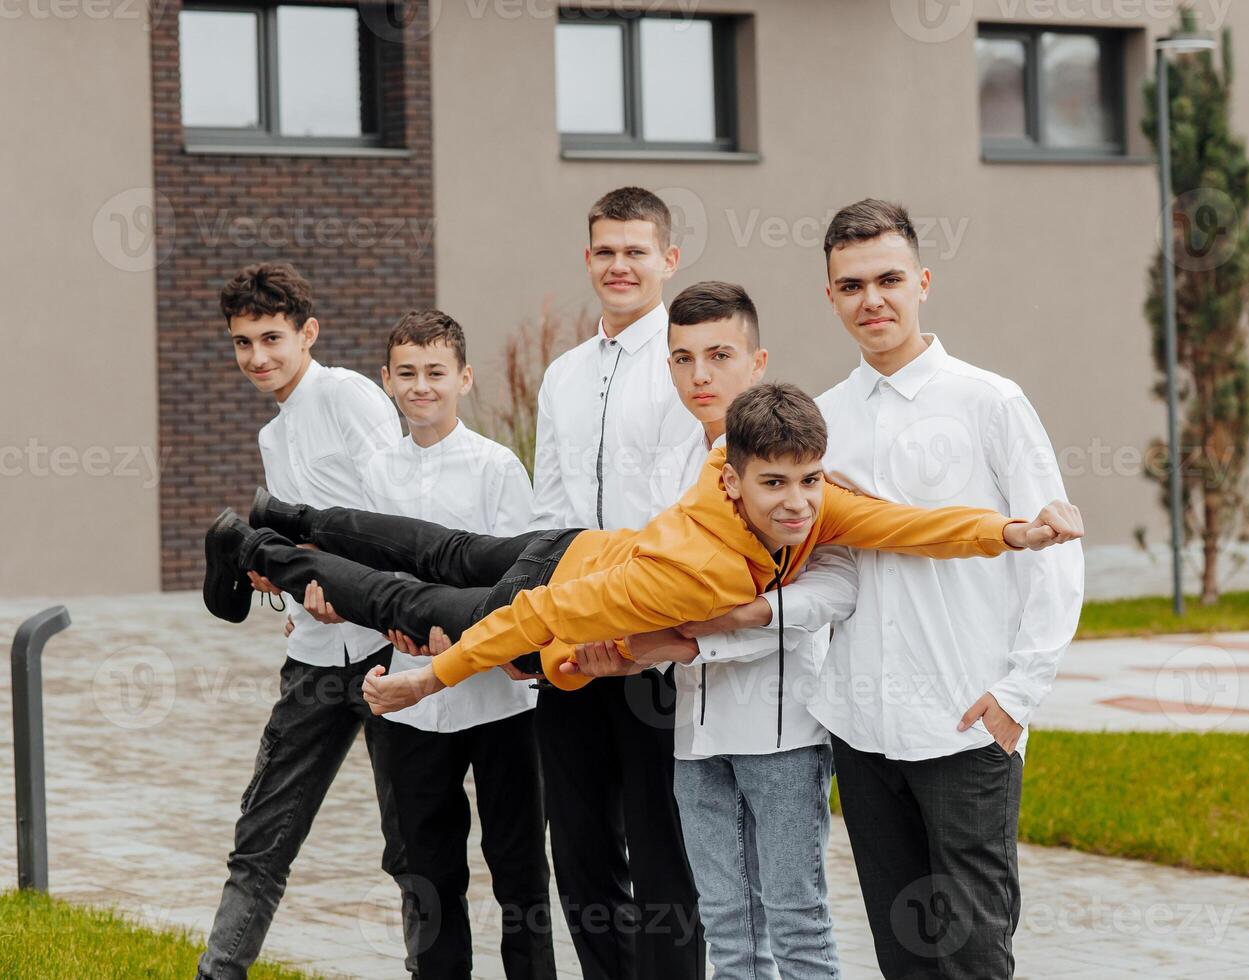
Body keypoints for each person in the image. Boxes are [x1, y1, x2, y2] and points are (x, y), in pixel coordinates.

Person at [200, 383, 1083, 724]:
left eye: (810, 481)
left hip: (569, 543)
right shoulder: (690, 570)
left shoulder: (805, 501)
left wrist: (1011, 531)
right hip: (561, 579)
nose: (800, 505)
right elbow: (545, 617)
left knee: (440, 545)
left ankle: (287, 509)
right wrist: (433, 678)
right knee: (405, 603)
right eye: (777, 485)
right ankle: (259, 544)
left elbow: (907, 524)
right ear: (733, 482)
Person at [742, 199, 1087, 980]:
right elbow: (829, 563)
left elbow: (1054, 553)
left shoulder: (989, 401)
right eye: (852, 285)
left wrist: (1017, 693)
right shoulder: (822, 420)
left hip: (967, 721)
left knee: (970, 953)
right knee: (903, 954)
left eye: (889, 279)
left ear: (922, 281)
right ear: (830, 297)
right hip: (863, 727)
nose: (874, 300)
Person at [569, 281, 852, 980]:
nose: (701, 375)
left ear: (757, 362)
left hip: (782, 731)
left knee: (796, 921)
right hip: (695, 733)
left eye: (719, 355)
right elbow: (653, 591)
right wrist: (625, 649)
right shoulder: (675, 470)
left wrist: (720, 628)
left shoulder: (802, 455)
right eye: (682, 358)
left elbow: (834, 587)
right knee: (727, 926)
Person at [196, 262, 414, 980]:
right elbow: (300, 545)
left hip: (389, 652)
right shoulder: (272, 437)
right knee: (261, 836)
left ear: (307, 333)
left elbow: (396, 515)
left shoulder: (349, 395)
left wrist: (335, 572)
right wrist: (286, 589)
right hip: (318, 659)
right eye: (242, 343)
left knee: (412, 846)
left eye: (271, 338)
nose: (257, 357)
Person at [526, 186, 706, 979]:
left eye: (637, 251)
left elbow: (684, 514)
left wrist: (631, 628)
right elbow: (547, 511)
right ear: (587, 259)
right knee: (580, 848)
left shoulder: (687, 365)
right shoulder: (562, 375)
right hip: (569, 640)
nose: (620, 265)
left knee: (663, 851)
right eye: (606, 251)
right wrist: (553, 622)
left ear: (668, 259)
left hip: (650, 651)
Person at [358, 310, 556, 978]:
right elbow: (365, 576)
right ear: (386, 380)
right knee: (427, 874)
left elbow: (518, 582)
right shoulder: (373, 473)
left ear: (463, 379)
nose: (422, 387)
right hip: (410, 706)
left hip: (498, 702)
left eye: (436, 373)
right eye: (407, 373)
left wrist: (463, 629)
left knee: (519, 869)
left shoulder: (497, 468)